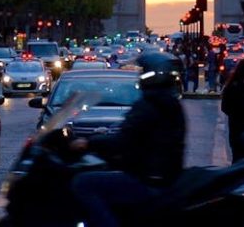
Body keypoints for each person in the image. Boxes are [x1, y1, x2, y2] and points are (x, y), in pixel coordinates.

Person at [70, 52, 186, 227]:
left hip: (148, 180)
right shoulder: (169, 103)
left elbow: (124, 140)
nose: (140, 76)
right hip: (160, 176)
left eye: (142, 72)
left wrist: (88, 142)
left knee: (83, 183)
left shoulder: (150, 105)